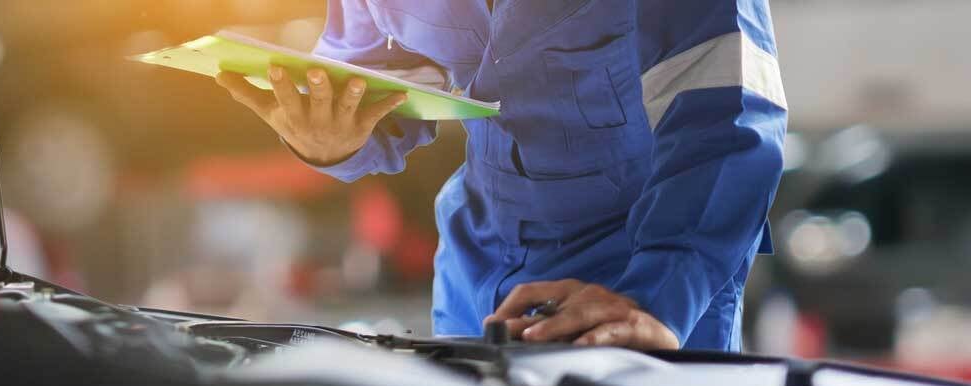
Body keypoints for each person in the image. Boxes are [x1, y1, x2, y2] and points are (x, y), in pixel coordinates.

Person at [216, 1, 787, 350]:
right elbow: (372, 78)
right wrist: (329, 142)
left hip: (636, 283)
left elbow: (728, 118)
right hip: (476, 279)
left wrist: (657, 298)